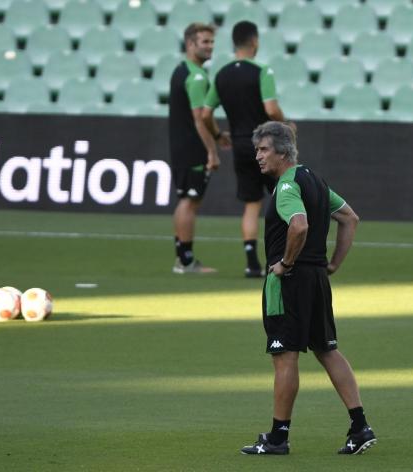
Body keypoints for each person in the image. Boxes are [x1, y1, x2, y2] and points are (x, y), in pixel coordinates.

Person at [240, 122, 377, 456]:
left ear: (283, 151)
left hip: (290, 281)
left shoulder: (287, 186)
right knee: (327, 349)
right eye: (257, 149)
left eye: (264, 150)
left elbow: (298, 224)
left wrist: (285, 263)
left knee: (284, 357)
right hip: (316, 278)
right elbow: (350, 218)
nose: (257, 156)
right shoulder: (314, 179)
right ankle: (360, 427)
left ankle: (277, 438)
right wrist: (332, 264)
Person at [203, 21, 286, 278]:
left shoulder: (221, 75)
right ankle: (286, 257)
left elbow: (206, 114)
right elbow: (271, 109)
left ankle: (252, 264)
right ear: (255, 42)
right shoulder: (263, 71)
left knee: (252, 204)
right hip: (268, 144)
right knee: (284, 199)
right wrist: (286, 126)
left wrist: (218, 135)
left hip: (240, 143)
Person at [169, 23, 230, 274]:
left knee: (186, 200)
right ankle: (185, 262)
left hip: (181, 146)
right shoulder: (196, 77)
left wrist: (217, 135)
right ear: (190, 44)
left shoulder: (180, 70)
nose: (210, 46)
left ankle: (181, 258)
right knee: (190, 202)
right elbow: (199, 118)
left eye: (212, 42)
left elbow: (203, 118)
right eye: (204, 42)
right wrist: (212, 151)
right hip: (193, 148)